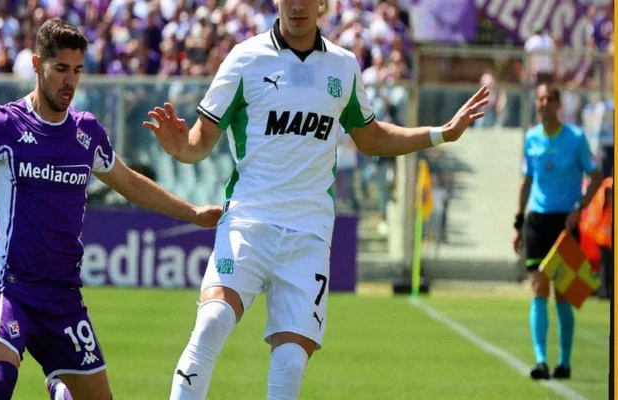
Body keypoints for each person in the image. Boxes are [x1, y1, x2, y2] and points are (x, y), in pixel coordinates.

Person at [0, 19, 221, 400]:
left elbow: (130, 184)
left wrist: (193, 213)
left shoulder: (86, 133)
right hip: (12, 288)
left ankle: (59, 389)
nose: (69, 81)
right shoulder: (4, 125)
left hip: (63, 297)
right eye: (60, 68)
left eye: (76, 70)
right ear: (36, 64)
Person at [142, 0, 490, 396]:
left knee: (291, 362)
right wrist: (179, 147)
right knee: (212, 322)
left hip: (309, 232)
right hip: (249, 220)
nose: (297, 6)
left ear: (323, 3)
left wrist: (441, 133)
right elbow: (199, 144)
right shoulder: (245, 58)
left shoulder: (343, 66)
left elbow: (371, 138)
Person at [513, 83, 602, 380]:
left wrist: (580, 209)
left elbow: (596, 177)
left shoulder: (575, 138)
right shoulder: (531, 138)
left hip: (565, 224)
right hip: (537, 222)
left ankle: (564, 362)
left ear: (558, 104)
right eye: (540, 98)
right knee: (539, 287)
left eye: (549, 98)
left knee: (563, 294)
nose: (543, 103)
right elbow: (526, 181)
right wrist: (518, 221)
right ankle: (540, 360)